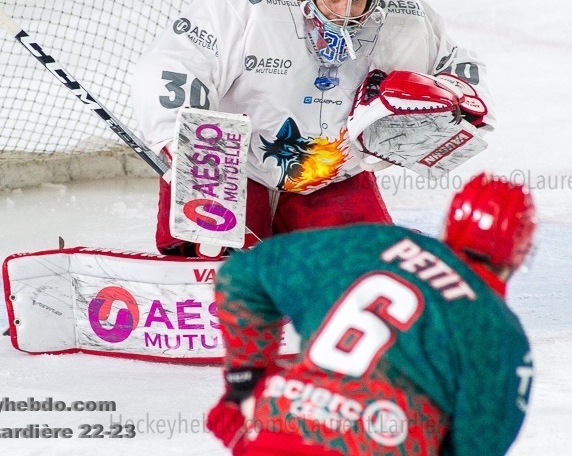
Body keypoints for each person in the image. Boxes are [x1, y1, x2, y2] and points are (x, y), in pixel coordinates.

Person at [131, 0, 496, 255]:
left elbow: (460, 67)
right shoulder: (244, 6)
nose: (346, 13)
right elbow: (175, 63)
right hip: (232, 168)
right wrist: (184, 144)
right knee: (211, 263)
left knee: (367, 265)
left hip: (333, 174)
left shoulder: (407, 20)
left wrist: (457, 98)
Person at [207, 172, 536, 456]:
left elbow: (242, 273)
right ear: (518, 255)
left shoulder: (372, 243)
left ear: (449, 224)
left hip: (280, 431)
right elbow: (477, 445)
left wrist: (245, 381)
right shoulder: (500, 330)